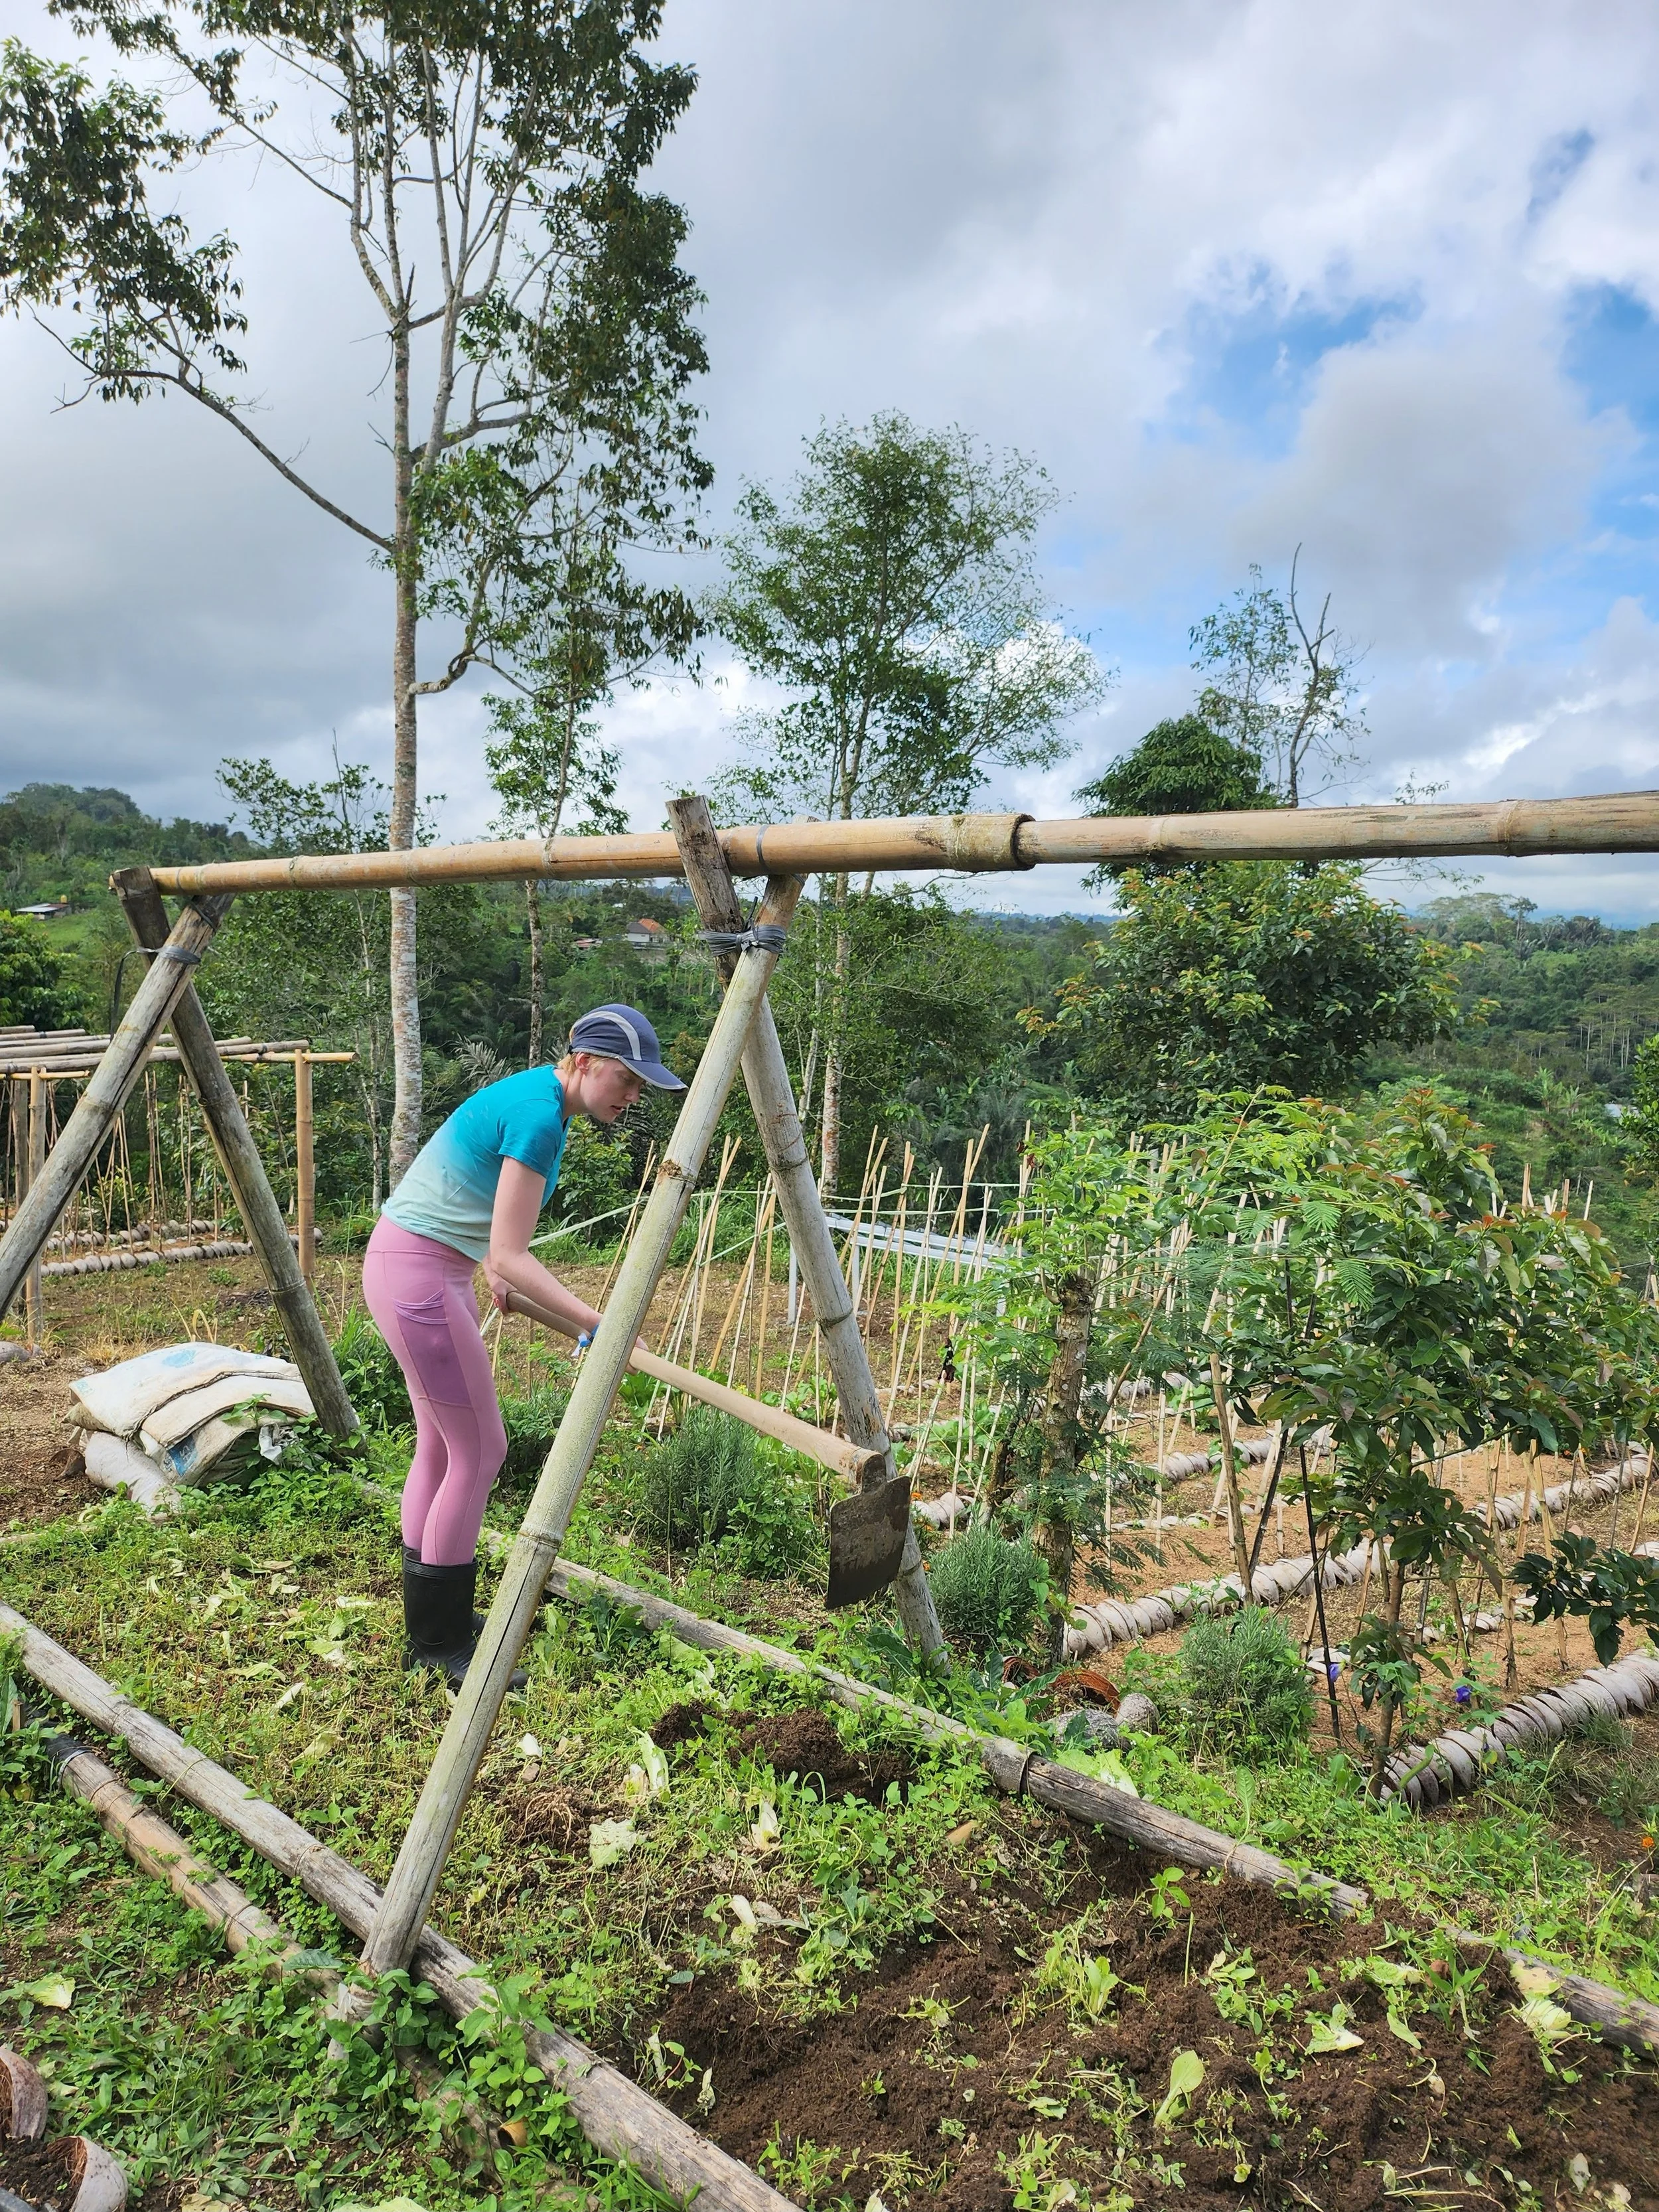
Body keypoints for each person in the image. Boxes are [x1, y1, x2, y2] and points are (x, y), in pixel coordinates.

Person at [363, 1005, 684, 1686]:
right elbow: (510, 1255)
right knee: (481, 1451)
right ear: (586, 1061)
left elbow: (489, 1232)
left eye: (640, 1087)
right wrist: (598, 1322)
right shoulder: (540, 1116)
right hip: (420, 1277)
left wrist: (498, 1268)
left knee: (443, 1446)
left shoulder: (539, 1099)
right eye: (626, 1080)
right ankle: (440, 1642)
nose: (632, 1097)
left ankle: (432, 1622)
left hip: (415, 1265)